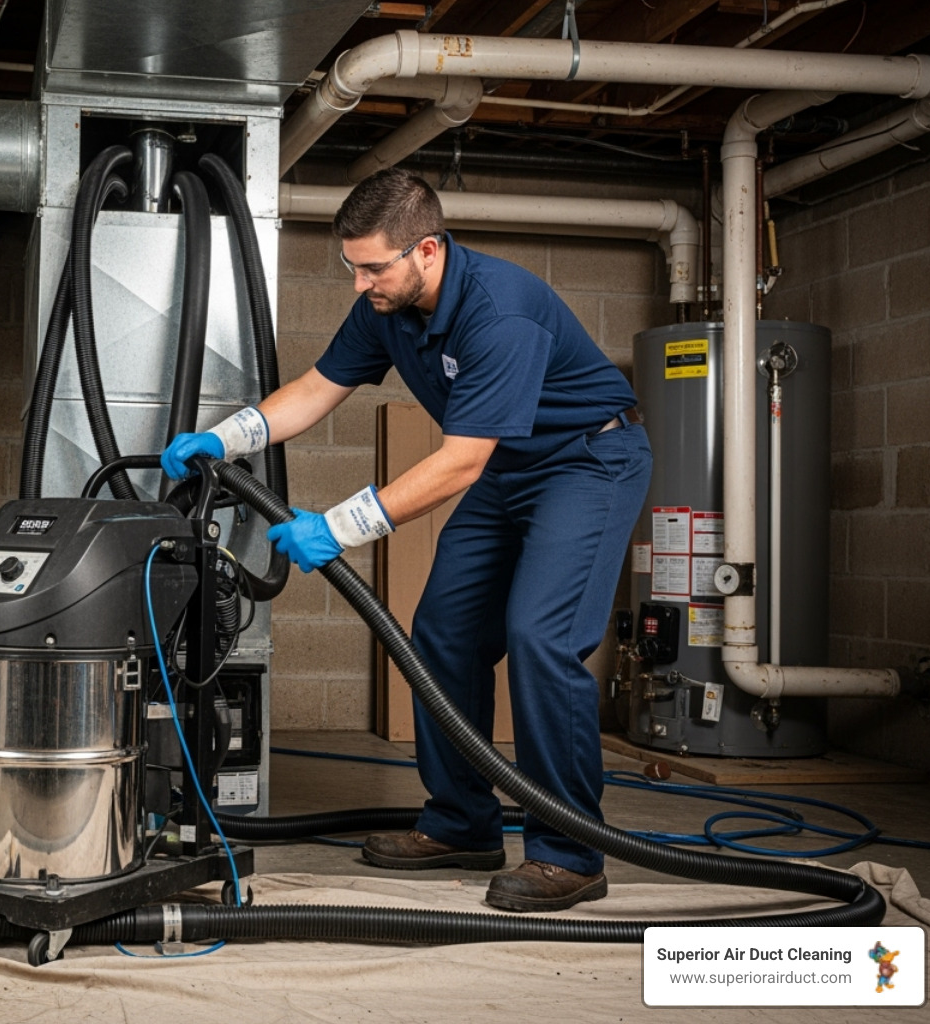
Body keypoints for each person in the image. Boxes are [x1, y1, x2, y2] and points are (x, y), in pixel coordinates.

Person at [161, 168, 651, 913]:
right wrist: (225, 438)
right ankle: (462, 823)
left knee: (541, 637)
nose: (360, 284)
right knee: (443, 634)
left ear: (427, 249)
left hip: (587, 463)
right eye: (350, 267)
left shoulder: (499, 312)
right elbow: (318, 388)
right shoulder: (386, 305)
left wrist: (338, 527)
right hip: (507, 468)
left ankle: (569, 854)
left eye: (372, 268)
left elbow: (459, 462)